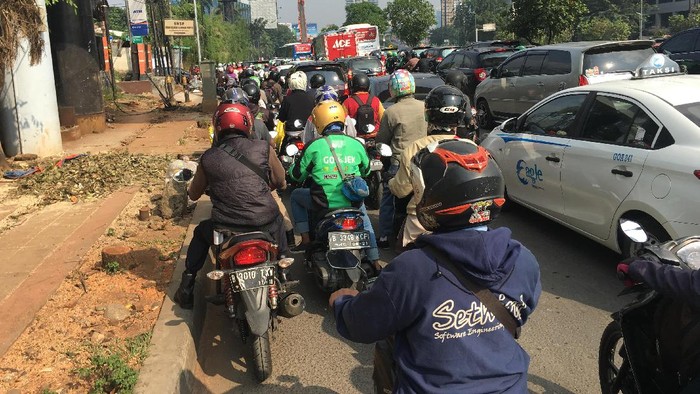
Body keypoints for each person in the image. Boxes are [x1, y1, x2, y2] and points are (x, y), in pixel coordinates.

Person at [330, 139, 542, 393]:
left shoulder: (412, 268)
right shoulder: (523, 258)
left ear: (436, 199)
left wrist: (342, 303)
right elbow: (521, 313)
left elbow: (361, 325)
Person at [174, 103, 287, 309]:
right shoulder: (263, 148)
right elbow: (281, 181)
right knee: (278, 218)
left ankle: (187, 286)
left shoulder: (208, 157)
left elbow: (193, 193)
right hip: (264, 222)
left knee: (200, 233)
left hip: (227, 227)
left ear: (217, 127)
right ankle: (284, 267)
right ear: (249, 124)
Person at [288, 100, 381, 270]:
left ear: (320, 122)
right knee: (364, 218)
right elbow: (367, 170)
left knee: (295, 196)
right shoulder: (356, 144)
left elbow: (296, 175)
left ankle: (306, 240)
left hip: (322, 203)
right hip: (352, 203)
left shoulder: (314, 146)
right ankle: (375, 260)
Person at [389, 85, 471, 250]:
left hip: (422, 221)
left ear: (428, 114)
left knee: (406, 260)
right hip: (460, 219)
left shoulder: (414, 148)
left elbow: (401, 190)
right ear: (461, 117)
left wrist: (390, 182)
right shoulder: (470, 146)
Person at [375, 70, 427, 248]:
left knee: (388, 196)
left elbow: (381, 141)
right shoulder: (424, 106)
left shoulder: (391, 112)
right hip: (425, 161)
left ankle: (384, 236)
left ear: (393, 89)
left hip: (399, 165)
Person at [342, 72, 384, 138]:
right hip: (374, 136)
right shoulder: (376, 100)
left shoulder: (347, 102)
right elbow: (383, 119)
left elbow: (343, 122)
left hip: (356, 138)